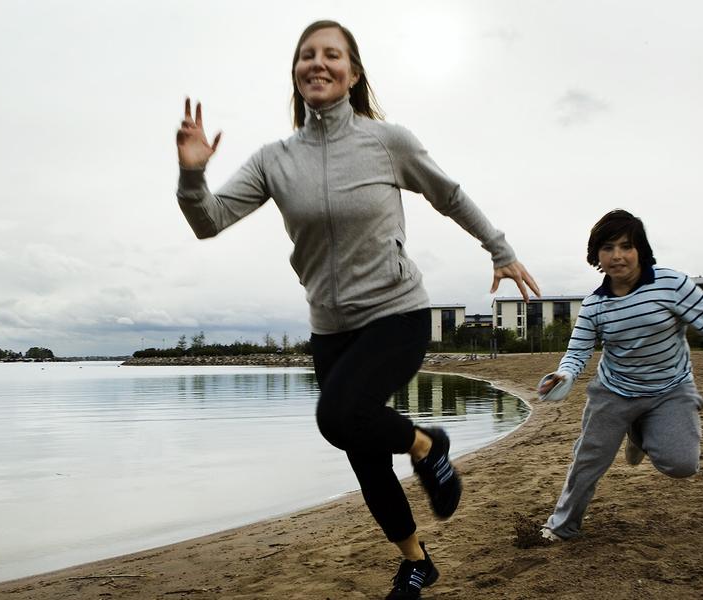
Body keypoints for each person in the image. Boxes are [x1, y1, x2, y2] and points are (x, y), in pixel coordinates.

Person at [175, 20, 539, 599]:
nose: (317, 64)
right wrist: (193, 173)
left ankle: (428, 445)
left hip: (397, 314)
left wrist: (501, 250)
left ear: (354, 72)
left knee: (334, 417)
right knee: (363, 454)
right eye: (306, 56)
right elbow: (209, 222)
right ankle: (417, 561)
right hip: (331, 329)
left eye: (332, 55)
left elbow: (448, 194)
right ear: (295, 74)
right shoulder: (275, 159)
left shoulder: (386, 141)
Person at [537, 209, 703, 542]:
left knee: (681, 465)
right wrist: (562, 378)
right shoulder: (595, 304)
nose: (617, 256)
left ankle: (638, 434)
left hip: (672, 389)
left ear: (640, 249)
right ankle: (563, 525)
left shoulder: (672, 285)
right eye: (608, 248)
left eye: (626, 246)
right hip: (614, 392)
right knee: (588, 461)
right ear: (597, 255)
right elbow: (578, 352)